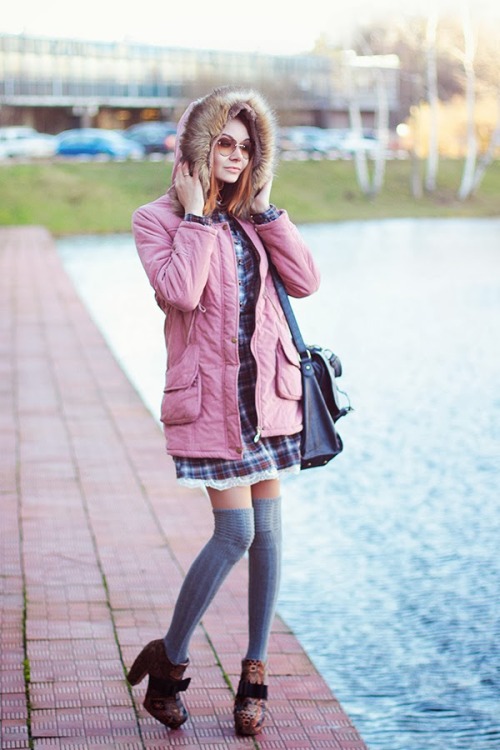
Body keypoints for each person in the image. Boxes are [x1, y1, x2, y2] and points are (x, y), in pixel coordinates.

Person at [127, 86, 320, 736]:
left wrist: (265, 212)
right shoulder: (156, 219)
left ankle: (254, 673)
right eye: (223, 143)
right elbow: (179, 293)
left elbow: (307, 281)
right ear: (197, 148)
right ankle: (170, 663)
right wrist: (197, 219)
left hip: (266, 399)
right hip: (211, 405)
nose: (235, 156)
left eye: (246, 146)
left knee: (268, 535)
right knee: (234, 534)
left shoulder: (252, 217)